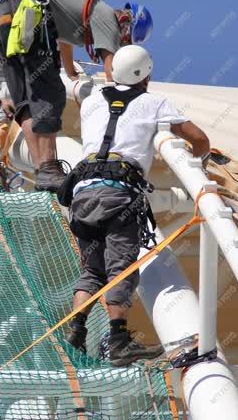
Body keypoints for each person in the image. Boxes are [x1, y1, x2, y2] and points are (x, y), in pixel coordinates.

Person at [59, 45, 210, 367]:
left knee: (92, 270)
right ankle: (118, 339)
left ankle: (76, 327)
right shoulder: (154, 102)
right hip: (119, 194)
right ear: (147, 74)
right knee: (122, 267)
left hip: (83, 192)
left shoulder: (92, 100)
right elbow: (199, 139)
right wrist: (200, 162)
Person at [0, 0, 152, 192]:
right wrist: (126, 97)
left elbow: (62, 39)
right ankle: (48, 168)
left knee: (28, 103)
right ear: (127, 27)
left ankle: (42, 170)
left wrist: (69, 70)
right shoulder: (107, 18)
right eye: (126, 41)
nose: (122, 44)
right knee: (51, 95)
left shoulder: (85, 15)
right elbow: (112, 69)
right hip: (28, 13)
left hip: (7, 16)